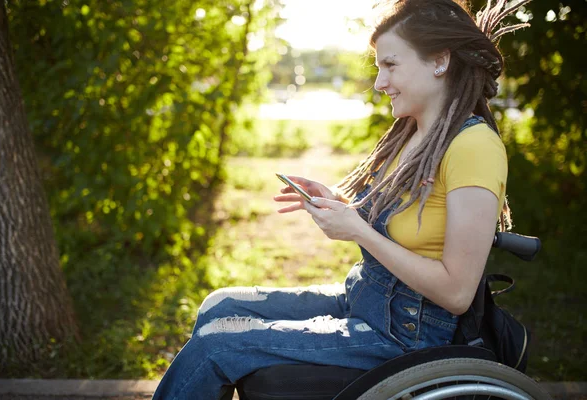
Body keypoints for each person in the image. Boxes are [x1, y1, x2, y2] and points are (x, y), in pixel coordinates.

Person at [152, 0, 531, 398]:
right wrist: (339, 203)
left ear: (439, 60)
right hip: (364, 299)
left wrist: (359, 233)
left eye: (391, 65)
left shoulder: (473, 147)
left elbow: (456, 294)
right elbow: (402, 223)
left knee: (217, 345)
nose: (380, 82)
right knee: (219, 305)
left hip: (406, 333)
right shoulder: (414, 134)